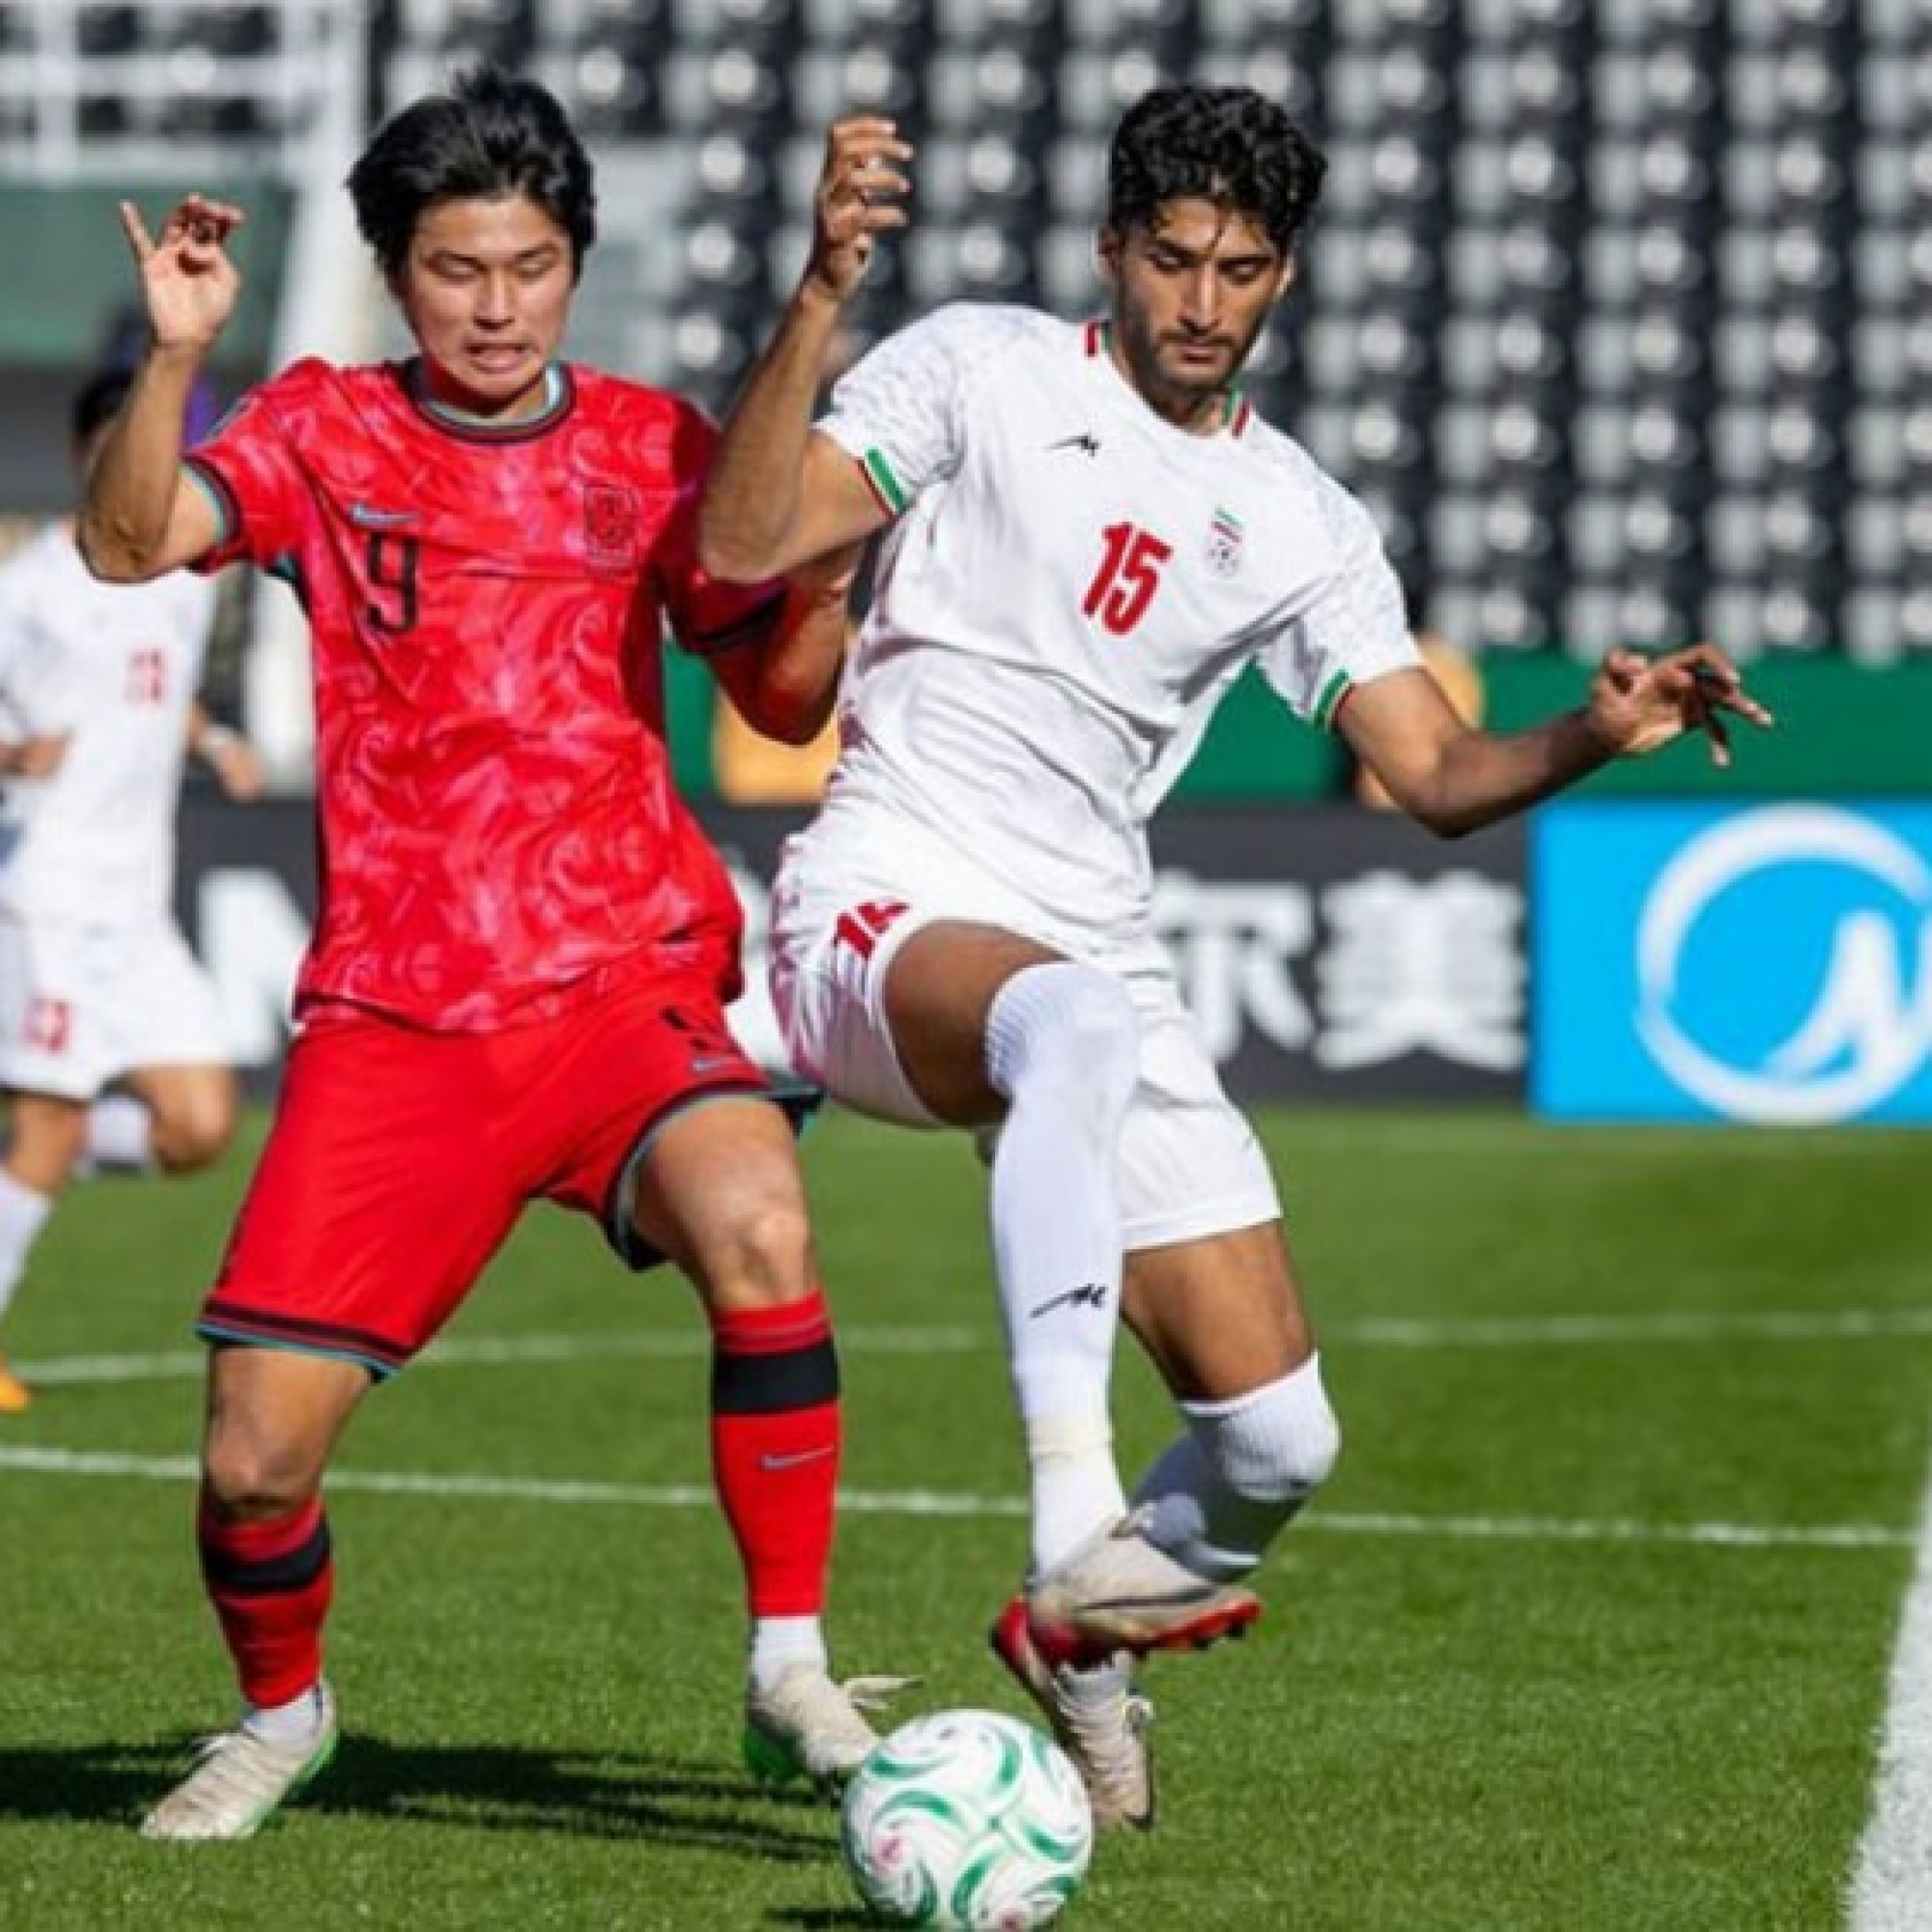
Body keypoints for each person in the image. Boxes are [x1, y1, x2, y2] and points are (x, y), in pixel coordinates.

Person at [696, 84, 1774, 1833]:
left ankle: (1075, 1646)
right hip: (880, 902)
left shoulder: (1301, 519)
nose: (1202, 300)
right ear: (1114, 249)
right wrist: (819, 295)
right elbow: (744, 545)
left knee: (1282, 1445)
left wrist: (1589, 727)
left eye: (1243, 270)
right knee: (1063, 1024)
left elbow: (1430, 775)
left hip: (1091, 948)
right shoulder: (977, 368)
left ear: (1285, 280)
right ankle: (1070, 1533)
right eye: (1174, 258)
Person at [79, 67, 886, 1842]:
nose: (498, 303)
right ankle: (284, 1716)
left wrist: (830, 570)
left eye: (530, 264)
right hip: (401, 1020)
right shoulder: (319, 431)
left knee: (758, 1216)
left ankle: (789, 1666)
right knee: (248, 1459)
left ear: (575, 262)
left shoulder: (661, 448)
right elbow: (133, 541)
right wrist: (171, 357)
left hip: (623, 992)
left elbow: (783, 692)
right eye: (456, 269)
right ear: (393, 274)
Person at [0, 369, 266, 1414]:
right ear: (85, 457)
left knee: (198, 1125)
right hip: (49, 890)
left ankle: (28, 1143)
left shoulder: (182, 574)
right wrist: (13, 755)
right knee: (57, 1125)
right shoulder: (28, 587)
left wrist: (212, 737)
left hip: (139, 903)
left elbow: (156, 686)